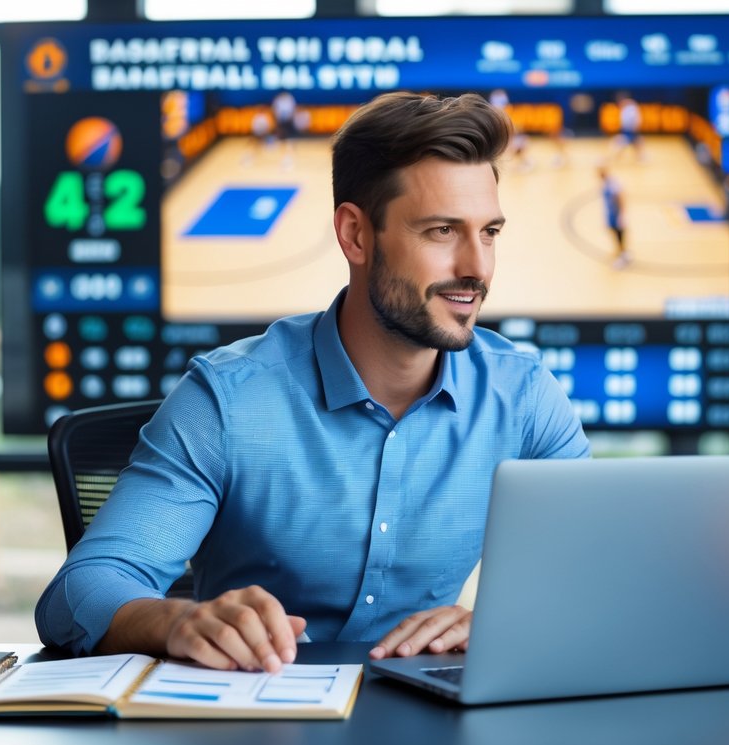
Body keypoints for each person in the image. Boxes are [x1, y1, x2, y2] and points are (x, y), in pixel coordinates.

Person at [35, 92, 590, 673]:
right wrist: (177, 621)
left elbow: (605, 573)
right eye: (442, 231)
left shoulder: (524, 396)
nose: (477, 267)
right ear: (355, 235)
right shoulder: (225, 400)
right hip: (257, 725)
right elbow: (78, 595)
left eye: (490, 231)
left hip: (433, 720)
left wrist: (509, 623)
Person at [599, 164, 630, 268]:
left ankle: (623, 255)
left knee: (619, 234)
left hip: (616, 214)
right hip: (610, 213)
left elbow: (621, 198)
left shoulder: (613, 184)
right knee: (613, 232)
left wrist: (622, 215)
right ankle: (620, 251)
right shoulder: (606, 183)